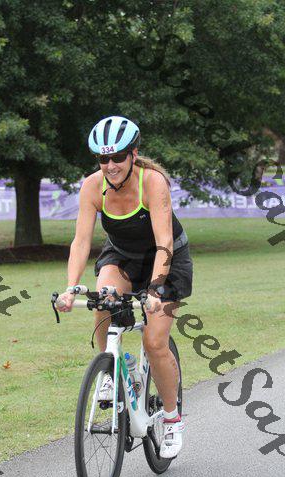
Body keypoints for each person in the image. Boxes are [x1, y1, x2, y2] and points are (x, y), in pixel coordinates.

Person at [57, 116, 193, 458]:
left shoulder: (153, 182)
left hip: (165, 259)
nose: (111, 165)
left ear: (133, 154)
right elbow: (81, 241)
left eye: (118, 157)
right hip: (122, 256)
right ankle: (111, 367)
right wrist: (71, 288)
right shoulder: (92, 187)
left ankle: (172, 418)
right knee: (103, 300)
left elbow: (164, 243)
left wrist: (155, 289)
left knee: (155, 341)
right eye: (103, 159)